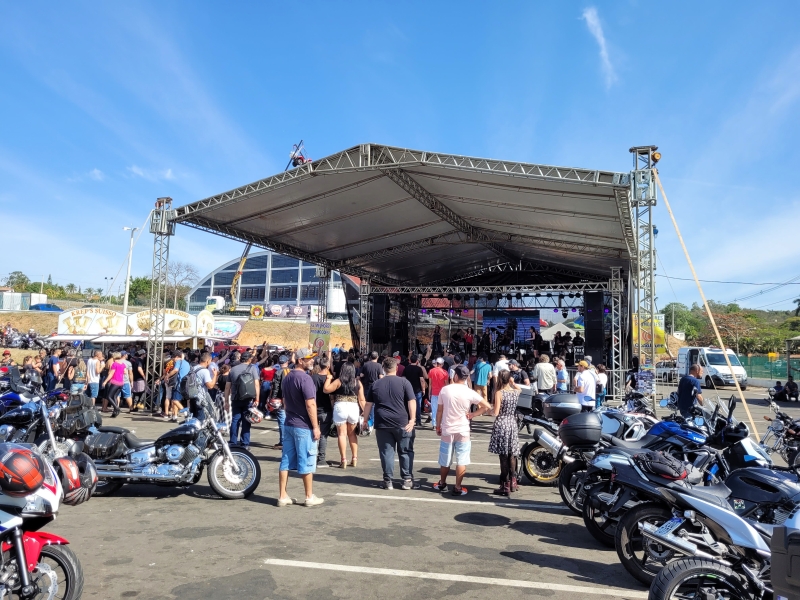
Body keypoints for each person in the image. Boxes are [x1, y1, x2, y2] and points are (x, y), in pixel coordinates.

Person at [434, 364, 492, 496]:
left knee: (445, 459)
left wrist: (438, 426)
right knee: (462, 460)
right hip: (463, 429)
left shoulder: (445, 390)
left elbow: (439, 411)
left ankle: (442, 483)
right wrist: (473, 414)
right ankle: (458, 487)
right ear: (466, 378)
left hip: (448, 428)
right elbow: (487, 406)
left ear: (455, 375)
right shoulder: (469, 392)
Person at [277, 348, 324, 507]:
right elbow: (310, 404)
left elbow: (284, 401)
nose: (312, 360)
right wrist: (315, 427)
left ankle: (283, 496)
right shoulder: (305, 379)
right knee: (306, 460)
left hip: (289, 423)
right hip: (303, 425)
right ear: (300, 360)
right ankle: (309, 496)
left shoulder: (287, 377)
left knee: (286, 461)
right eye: (308, 358)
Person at [362, 357, 417, 490]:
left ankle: (388, 481)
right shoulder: (404, 382)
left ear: (383, 369)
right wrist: (412, 419)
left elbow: (368, 404)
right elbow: (411, 401)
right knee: (405, 451)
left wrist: (365, 420)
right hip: (402, 422)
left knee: (386, 452)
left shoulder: (376, 384)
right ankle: (407, 479)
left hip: (382, 423)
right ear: (396, 368)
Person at [323, 361, 365, 468]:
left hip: (340, 406)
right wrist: (365, 413)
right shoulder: (357, 382)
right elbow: (362, 399)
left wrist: (328, 378)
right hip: (353, 407)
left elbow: (326, 390)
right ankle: (354, 458)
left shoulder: (338, 381)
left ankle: (343, 460)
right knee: (352, 434)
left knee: (341, 434)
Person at [488, 370, 520, 496]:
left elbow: (495, 412)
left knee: (503, 456)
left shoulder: (499, 393)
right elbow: (519, 388)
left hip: (502, 423)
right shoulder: (515, 392)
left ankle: (504, 484)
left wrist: (489, 411)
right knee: (512, 453)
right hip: (512, 423)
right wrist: (513, 382)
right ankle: (513, 481)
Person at [226, 352, 260, 449]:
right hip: (248, 398)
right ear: (249, 359)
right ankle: (245, 443)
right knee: (246, 420)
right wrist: (257, 398)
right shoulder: (252, 368)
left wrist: (226, 401)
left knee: (235, 420)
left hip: (236, 398)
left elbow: (227, 387)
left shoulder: (232, 370)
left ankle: (233, 442)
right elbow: (256, 384)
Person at [310, 356, 334, 467]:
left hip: (314, 408)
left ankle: (310, 456)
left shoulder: (313, 378)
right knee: (323, 435)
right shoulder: (330, 379)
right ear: (328, 366)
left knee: (312, 434)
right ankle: (321, 459)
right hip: (326, 409)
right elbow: (332, 397)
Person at [186, 352, 217, 421]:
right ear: (208, 361)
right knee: (201, 419)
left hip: (192, 396)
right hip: (201, 398)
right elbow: (210, 386)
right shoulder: (205, 371)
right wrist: (215, 375)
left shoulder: (193, 368)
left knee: (194, 417)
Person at [270, 355, 291, 450]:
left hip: (281, 399)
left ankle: (283, 441)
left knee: (282, 420)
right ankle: (288, 441)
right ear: (287, 362)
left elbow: (276, 387)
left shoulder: (278, 372)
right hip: (291, 399)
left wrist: (273, 398)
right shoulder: (291, 371)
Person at [402, 354, 427, 426]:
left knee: (407, 404)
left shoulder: (406, 368)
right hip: (417, 389)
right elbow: (422, 380)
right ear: (417, 361)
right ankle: (418, 421)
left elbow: (403, 378)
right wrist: (423, 389)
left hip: (408, 389)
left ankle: (409, 419)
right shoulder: (419, 369)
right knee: (418, 405)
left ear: (409, 361)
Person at [427, 357, 449, 429]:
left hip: (434, 392)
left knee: (434, 409)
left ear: (436, 363)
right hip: (442, 393)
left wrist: (429, 393)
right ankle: (441, 424)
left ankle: (434, 424)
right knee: (442, 409)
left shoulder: (431, 371)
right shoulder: (445, 372)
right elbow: (446, 384)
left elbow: (430, 383)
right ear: (442, 364)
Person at [101, 352, 124, 418]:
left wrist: (105, 381)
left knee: (109, 396)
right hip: (121, 382)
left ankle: (116, 408)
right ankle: (115, 412)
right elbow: (125, 372)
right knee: (115, 396)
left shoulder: (114, 364)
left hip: (115, 382)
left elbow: (111, 374)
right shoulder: (122, 364)